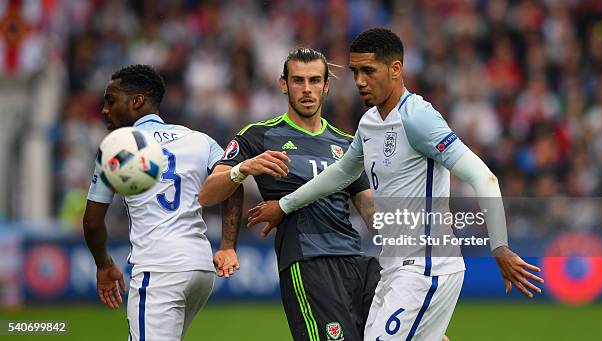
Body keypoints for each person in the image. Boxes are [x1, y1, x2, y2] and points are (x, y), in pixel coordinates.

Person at [248, 28, 544, 340]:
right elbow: (340, 174)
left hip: (428, 267)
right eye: (355, 72)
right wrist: (284, 205)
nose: (360, 81)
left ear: (396, 69)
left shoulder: (418, 118)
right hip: (393, 266)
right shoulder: (370, 123)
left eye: (368, 71)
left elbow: (484, 178)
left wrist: (500, 247)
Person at [199, 47, 380, 341]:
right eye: (298, 80)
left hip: (357, 260)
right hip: (309, 265)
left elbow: (371, 213)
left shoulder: (347, 144)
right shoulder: (259, 135)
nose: (306, 89)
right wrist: (243, 168)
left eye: (314, 80)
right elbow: (207, 194)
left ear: (326, 86)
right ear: (284, 84)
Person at [83, 64, 242, 341]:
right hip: (200, 269)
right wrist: (228, 245)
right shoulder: (200, 140)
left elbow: (92, 222)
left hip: (159, 270)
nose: (104, 109)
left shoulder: (117, 147)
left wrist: (104, 264)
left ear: (137, 101)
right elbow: (233, 181)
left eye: (111, 100)